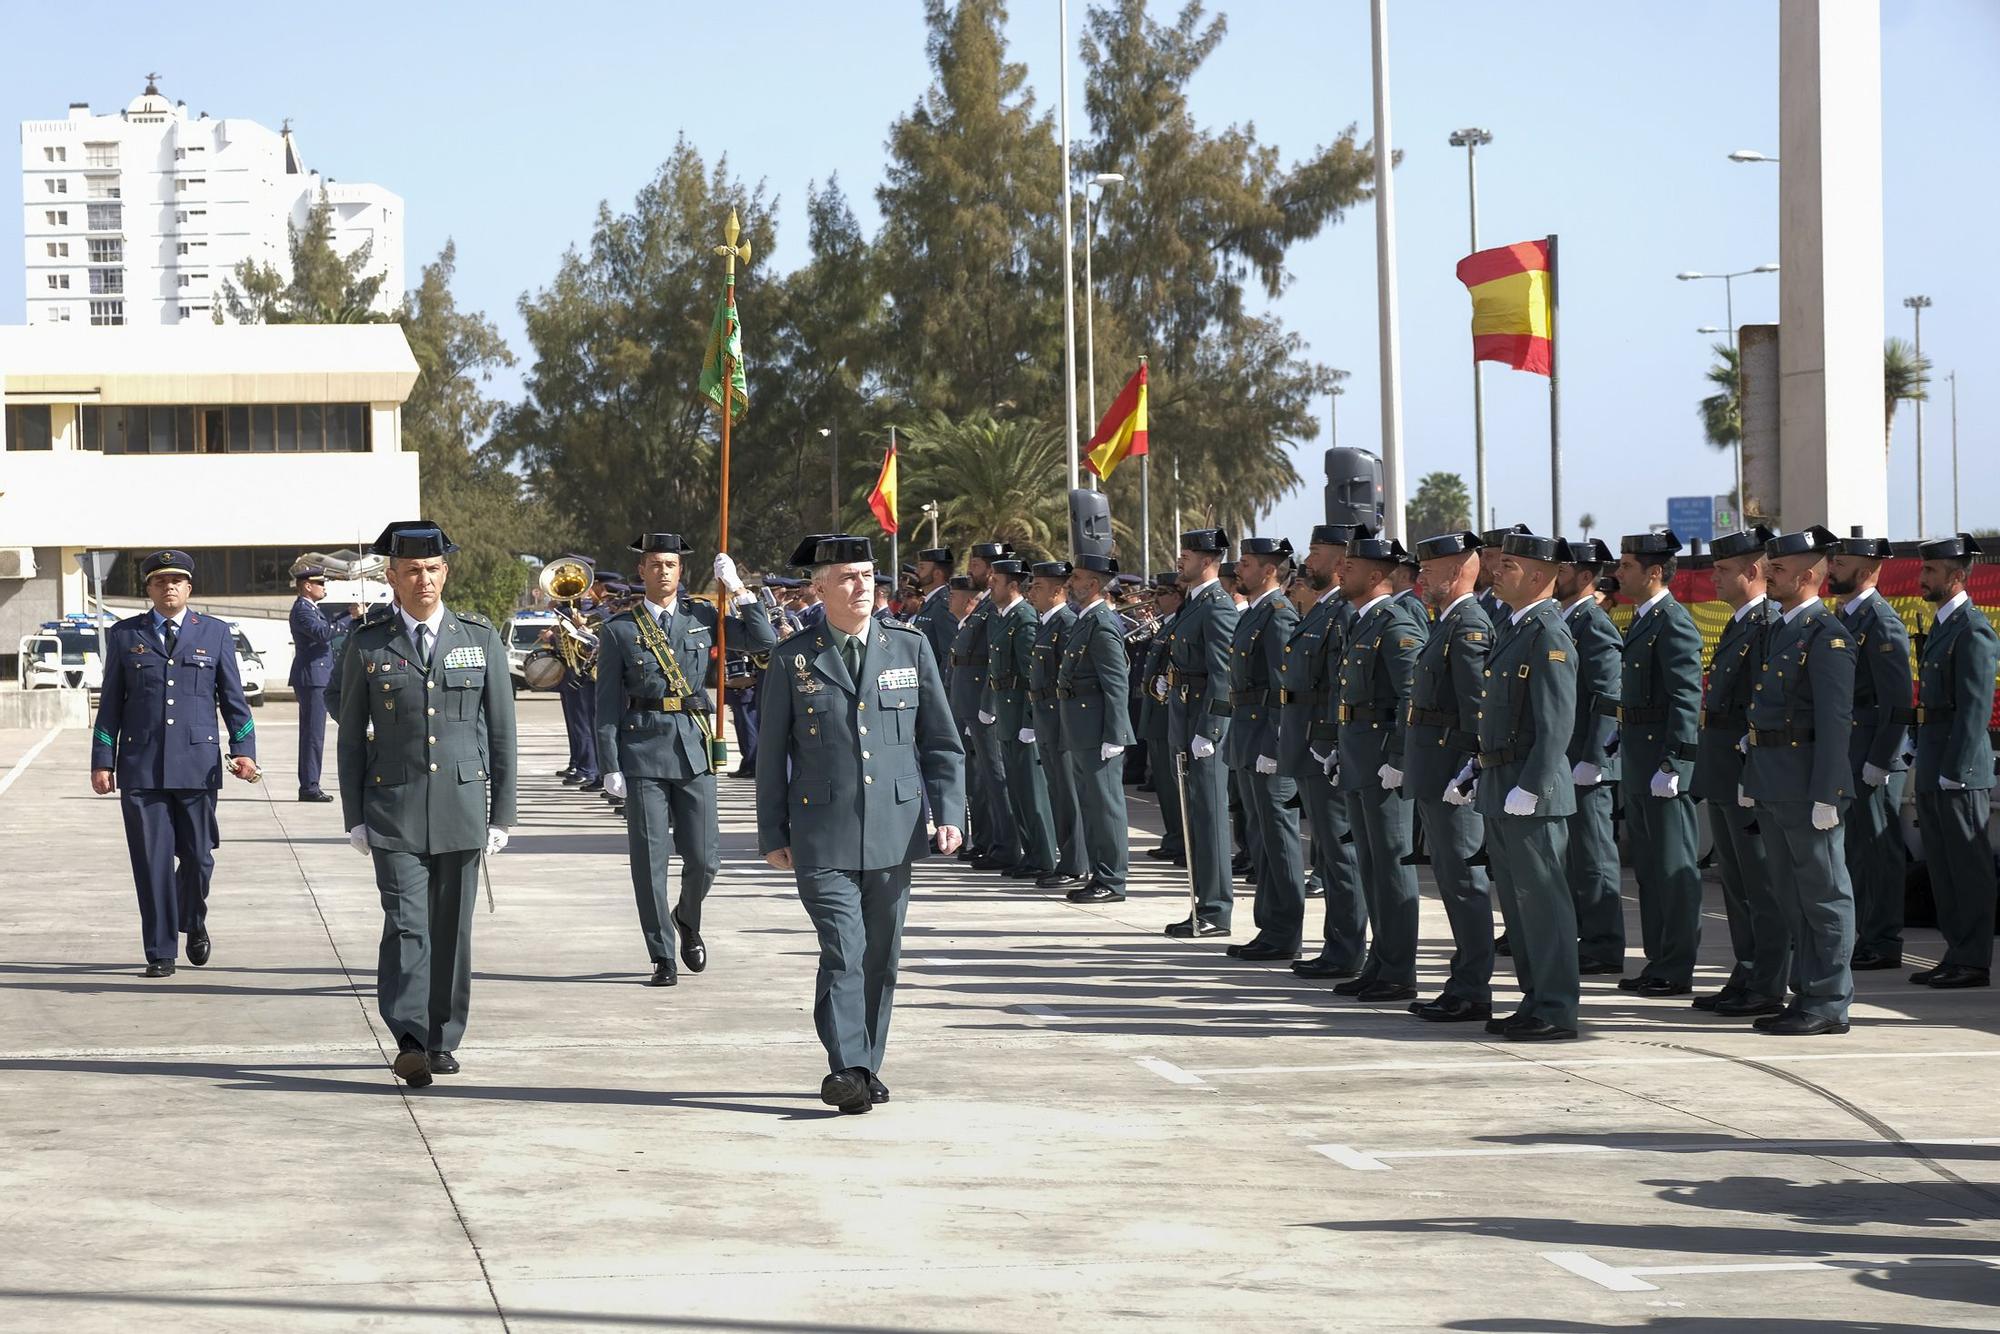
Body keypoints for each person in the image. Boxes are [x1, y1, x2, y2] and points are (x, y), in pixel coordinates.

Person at [755, 534, 966, 1113]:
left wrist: (948, 813)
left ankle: (867, 1063)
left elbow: (942, 745)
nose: (862, 586)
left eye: (869, 575)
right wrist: (772, 832)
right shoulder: (794, 657)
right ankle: (846, 1067)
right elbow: (772, 753)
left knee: (882, 956)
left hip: (896, 832)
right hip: (821, 832)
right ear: (819, 588)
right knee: (845, 949)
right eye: (847, 577)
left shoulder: (910, 647)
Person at [337, 521, 516, 1087]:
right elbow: (348, 736)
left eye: (433, 568)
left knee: (452, 929)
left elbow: (504, 732)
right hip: (393, 808)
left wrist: (502, 814)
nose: (424, 579)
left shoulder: (478, 637)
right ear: (392, 576)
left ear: (447, 573)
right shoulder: (368, 643)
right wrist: (354, 816)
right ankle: (410, 1035)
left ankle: (443, 1039)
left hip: (463, 806)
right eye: (412, 569)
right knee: (407, 924)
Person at [595, 533, 776, 986]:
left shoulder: (703, 616)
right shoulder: (620, 630)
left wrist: (738, 589)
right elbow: (605, 705)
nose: (663, 572)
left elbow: (763, 641)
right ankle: (661, 955)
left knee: (705, 858)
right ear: (642, 571)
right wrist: (610, 764)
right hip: (642, 750)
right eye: (655, 564)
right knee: (650, 860)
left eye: (671, 565)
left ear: (681, 571)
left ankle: (687, 917)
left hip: (693, 748)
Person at [91, 550, 258, 977]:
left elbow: (234, 702)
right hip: (141, 767)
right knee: (152, 863)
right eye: (160, 581)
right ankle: (161, 951)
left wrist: (245, 752)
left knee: (200, 858)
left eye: (177, 581)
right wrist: (102, 760)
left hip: (197, 766)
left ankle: (193, 919)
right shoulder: (126, 635)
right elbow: (110, 705)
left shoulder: (216, 633)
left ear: (188, 588)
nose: (169, 588)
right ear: (148, 589)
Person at [1451, 531, 1580, 1041]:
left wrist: (1532, 785)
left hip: (1533, 792)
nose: (1497, 572)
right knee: (1522, 907)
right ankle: (1535, 999)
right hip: (1503, 782)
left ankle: (1556, 1007)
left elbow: (1555, 723)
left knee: (1544, 904)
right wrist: (1478, 769)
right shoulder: (1514, 627)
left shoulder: (1548, 633)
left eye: (1509, 565)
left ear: (1541, 576)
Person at [1738, 525, 1858, 1034]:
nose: (1769, 575)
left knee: (1824, 894)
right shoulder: (1781, 627)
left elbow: (1835, 721)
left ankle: (1829, 1000)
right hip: (1774, 781)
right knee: (1791, 895)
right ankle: (1806, 991)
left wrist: (1829, 792)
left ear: (1808, 576)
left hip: (1808, 784)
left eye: (1779, 569)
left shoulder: (1827, 635)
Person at [1686, 526, 1787, 1017]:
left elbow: (1763, 706)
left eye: (1723, 570)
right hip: (1725, 769)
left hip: (1747, 771)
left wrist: (1754, 774)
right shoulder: (1740, 622)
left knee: (1761, 884)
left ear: (1752, 572)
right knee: (1738, 884)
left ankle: (1768, 982)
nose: (1713, 578)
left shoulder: (1767, 624)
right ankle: (1747, 972)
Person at [1330, 527, 1427, 1000]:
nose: (1340, 571)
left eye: (1350, 566)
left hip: (1382, 759)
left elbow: (1412, 698)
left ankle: (1399, 969)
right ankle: (1380, 961)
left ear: (1376, 574)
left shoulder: (1396, 623)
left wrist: (1397, 757)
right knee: (1369, 863)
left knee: (1390, 864)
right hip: (1358, 754)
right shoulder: (1361, 621)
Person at [1404, 532, 1496, 1022]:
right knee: (1452, 880)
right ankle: (1463, 981)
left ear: (1460, 568)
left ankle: (1473, 989)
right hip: (1436, 768)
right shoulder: (1449, 621)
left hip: (1452, 773)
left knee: (1465, 884)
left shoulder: (1469, 625)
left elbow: (1477, 709)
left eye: (1431, 568)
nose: (1421, 576)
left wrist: (1471, 769)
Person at [1612, 530, 1703, 998]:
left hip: (1660, 764)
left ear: (1653, 572)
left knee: (1672, 869)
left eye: (1626, 565)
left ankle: (1676, 963)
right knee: (1648, 869)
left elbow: (1686, 699)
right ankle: (1658, 960)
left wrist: (1675, 763)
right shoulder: (1643, 619)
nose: (1618, 572)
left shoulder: (1674, 622)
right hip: (1639, 758)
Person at [1910, 533, 1999, 989]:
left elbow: (1975, 708)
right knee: (1942, 868)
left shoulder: (1973, 629)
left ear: (1957, 577)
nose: (1922, 577)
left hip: (1957, 769)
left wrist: (1956, 770)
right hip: (1934, 761)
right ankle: (1955, 950)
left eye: (1931, 571)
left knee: (1967, 867)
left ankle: (1974, 958)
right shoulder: (1944, 625)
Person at [1828, 533, 1914, 971]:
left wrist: (1882, 758)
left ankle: (1882, 940)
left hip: (1872, 754)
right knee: (1855, 850)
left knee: (1878, 850)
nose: (1831, 570)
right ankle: (1863, 933)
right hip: (1849, 749)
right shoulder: (1845, 616)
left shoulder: (1881, 622)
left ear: (1864, 572)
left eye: (1840, 564)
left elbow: (1898, 702)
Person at [1288, 525, 1367, 980]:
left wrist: (1329, 745)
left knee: (1339, 854)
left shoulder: (1341, 614)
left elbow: (1338, 686)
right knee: (1330, 856)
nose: (1308, 560)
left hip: (1328, 748)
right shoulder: (1324, 610)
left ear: (1341, 563)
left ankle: (1347, 948)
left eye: (1316, 552)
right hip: (1313, 744)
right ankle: (1338, 944)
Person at [1225, 536, 1306, 961]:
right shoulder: (1254, 612)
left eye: (1248, 563)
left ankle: (1285, 930)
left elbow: (1283, 689)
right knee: (1260, 839)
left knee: (1278, 838)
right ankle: (1269, 927)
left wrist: (1276, 744)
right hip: (1247, 735)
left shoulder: (1277, 616)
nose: (1240, 568)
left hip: (1266, 740)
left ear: (1269, 570)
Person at [1165, 529, 1240, 937]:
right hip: (1185, 714)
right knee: (1196, 814)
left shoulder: (1217, 606)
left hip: (1203, 722)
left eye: (1188, 554)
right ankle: (1202, 905)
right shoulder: (1194, 603)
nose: (1181, 560)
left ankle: (1215, 910)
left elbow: (1222, 673)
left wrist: (1211, 727)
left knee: (1210, 815)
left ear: (1208, 560)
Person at [1556, 537, 1626, 976]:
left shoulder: (1594, 624)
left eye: (1564, 570)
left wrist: (1596, 758)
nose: (1554, 576)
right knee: (1574, 857)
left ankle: (1603, 943)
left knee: (1594, 856)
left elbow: (1607, 698)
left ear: (1585, 577)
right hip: (1566, 760)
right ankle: (1585, 934)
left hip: (1587, 762)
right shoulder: (1566, 620)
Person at [1060, 554, 1136, 904]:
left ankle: (1112, 878)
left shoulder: (1102, 623)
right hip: (1081, 727)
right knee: (1090, 804)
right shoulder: (1086, 620)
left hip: (1098, 730)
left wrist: (1115, 735)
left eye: (1076, 578)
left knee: (1105, 806)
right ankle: (1099, 873)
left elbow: (1116, 683)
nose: (1070, 583)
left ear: (1093, 584)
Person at [985, 557, 1059, 881]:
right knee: (1017, 788)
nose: (990, 584)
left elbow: (1033, 676)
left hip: (1021, 715)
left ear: (1013, 585)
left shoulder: (1024, 618)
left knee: (1031, 789)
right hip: (1006, 712)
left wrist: (1031, 720)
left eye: (995, 580)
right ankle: (1030, 854)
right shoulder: (1002, 617)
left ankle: (1044, 856)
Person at [957, 543, 1017, 869]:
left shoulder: (994, 608)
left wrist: (988, 704)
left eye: (976, 565)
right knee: (986, 780)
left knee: (997, 776)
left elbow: (996, 659)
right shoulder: (985, 606)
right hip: (973, 703)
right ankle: (995, 841)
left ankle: (1007, 844)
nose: (971, 571)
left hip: (987, 705)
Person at [1027, 560, 1086, 887]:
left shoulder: (1065, 623)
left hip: (1060, 719)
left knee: (1067, 792)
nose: (1032, 591)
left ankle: (1076, 862)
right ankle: (1067, 857)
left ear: (1058, 591)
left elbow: (1068, 678)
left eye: (1038, 586)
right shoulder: (1047, 623)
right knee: (1057, 792)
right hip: (1046, 717)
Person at [1137, 574, 1187, 866]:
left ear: (1177, 596)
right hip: (1156, 713)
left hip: (1169, 712)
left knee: (1174, 784)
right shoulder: (1165, 625)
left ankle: (1183, 841)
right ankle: (1173, 837)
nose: (1156, 599)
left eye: (1163, 593)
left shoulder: (1178, 625)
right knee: (1165, 787)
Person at [287, 563, 345, 802]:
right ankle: (310, 786)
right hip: (312, 677)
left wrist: (346, 616)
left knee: (313, 733)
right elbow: (322, 633)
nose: (324, 587)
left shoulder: (311, 608)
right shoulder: (302, 609)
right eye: (320, 583)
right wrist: (350, 619)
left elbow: (327, 627)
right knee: (313, 734)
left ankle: (310, 783)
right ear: (307, 586)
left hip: (318, 675)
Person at [910, 546, 958, 668]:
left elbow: (949, 652)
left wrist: (940, 685)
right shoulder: (931, 601)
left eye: (922, 567)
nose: (917, 571)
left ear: (937, 574)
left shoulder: (943, 604)